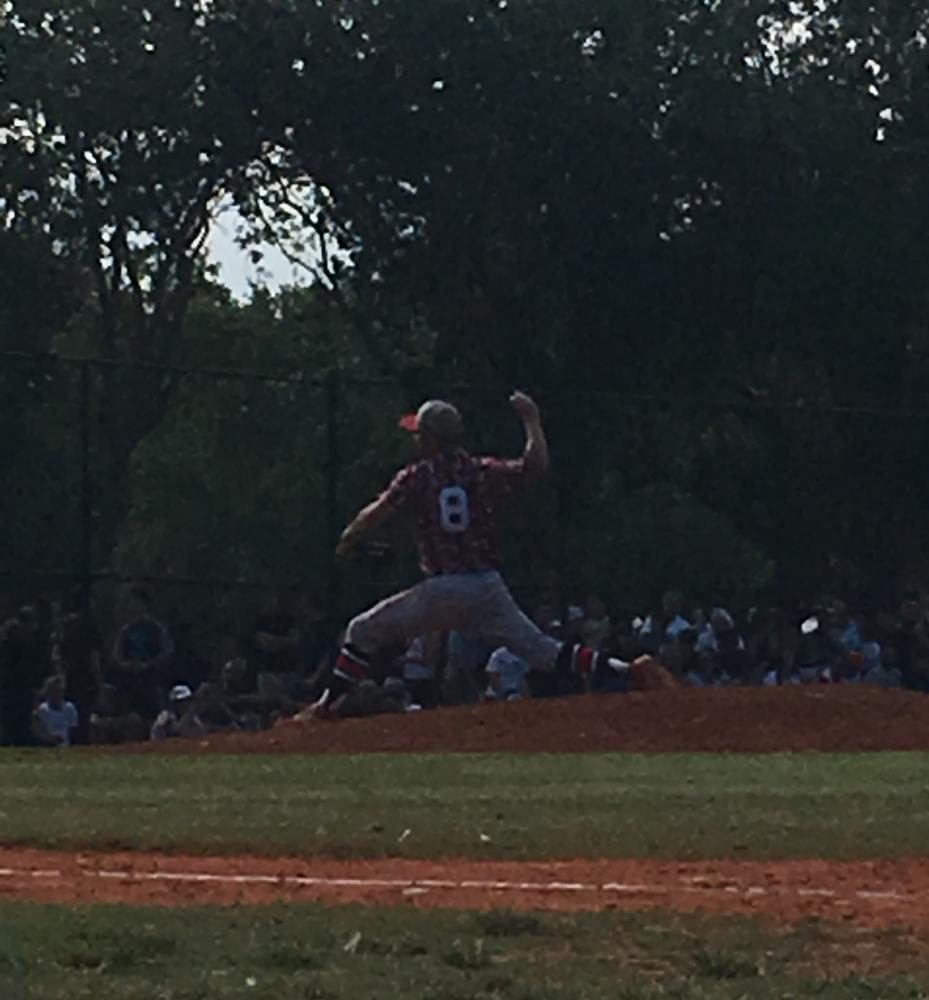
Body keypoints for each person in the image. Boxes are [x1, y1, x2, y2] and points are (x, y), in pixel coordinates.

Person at [313, 392, 672, 716]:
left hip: (443, 588)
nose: (416, 439)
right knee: (541, 651)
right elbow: (535, 466)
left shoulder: (417, 476)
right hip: (486, 585)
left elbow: (377, 511)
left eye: (420, 433)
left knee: (361, 630)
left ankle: (326, 706)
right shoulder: (480, 470)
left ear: (431, 439)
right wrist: (531, 419)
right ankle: (631, 670)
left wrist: (348, 537)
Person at [51, 593, 104, 744]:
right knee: (79, 714)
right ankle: (77, 741)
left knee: (77, 713)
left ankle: (76, 741)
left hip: (77, 677)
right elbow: (94, 658)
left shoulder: (68, 629)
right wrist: (98, 681)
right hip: (80, 678)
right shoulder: (79, 628)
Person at [0, 605, 47, 745]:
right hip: (14, 686)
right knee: (16, 718)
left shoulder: (8, 636)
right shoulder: (17, 637)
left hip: (14, 686)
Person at [32, 675, 79, 747]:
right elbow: (40, 731)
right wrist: (50, 739)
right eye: (55, 691)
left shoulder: (70, 708)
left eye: (60, 691)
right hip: (48, 746)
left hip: (66, 746)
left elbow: (73, 729)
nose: (58, 694)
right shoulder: (43, 709)